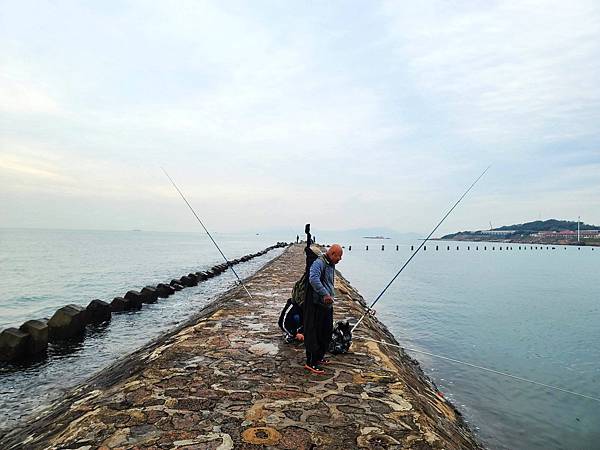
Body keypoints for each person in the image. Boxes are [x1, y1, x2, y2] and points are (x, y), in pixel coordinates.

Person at [303, 244, 343, 374]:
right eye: (339, 256)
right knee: (316, 333)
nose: (340, 259)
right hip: (318, 305)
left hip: (328, 306)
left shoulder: (331, 264)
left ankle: (319, 357)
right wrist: (325, 294)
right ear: (332, 254)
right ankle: (311, 362)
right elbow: (313, 278)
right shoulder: (319, 262)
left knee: (326, 332)